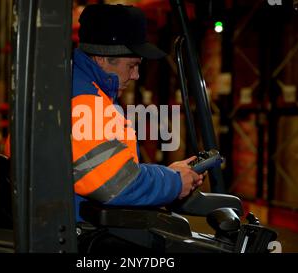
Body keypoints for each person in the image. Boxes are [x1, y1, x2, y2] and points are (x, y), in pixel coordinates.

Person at [72, 4, 204, 222]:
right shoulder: (83, 102)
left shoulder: (80, 89)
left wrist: (168, 175)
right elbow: (117, 185)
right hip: (82, 235)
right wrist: (175, 182)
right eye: (131, 65)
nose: (136, 75)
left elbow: (109, 171)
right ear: (101, 58)